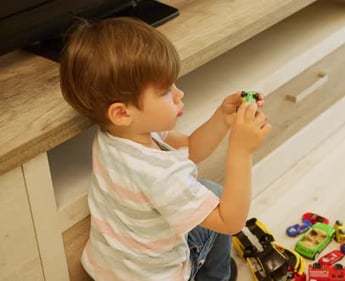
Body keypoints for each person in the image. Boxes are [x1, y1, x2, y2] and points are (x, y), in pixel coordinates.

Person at [59, 17, 271, 281]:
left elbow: (191, 147)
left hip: (112, 270)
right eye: (164, 92)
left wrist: (222, 118)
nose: (179, 93)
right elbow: (231, 221)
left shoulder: (117, 134)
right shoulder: (160, 174)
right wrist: (241, 151)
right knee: (215, 193)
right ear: (122, 112)